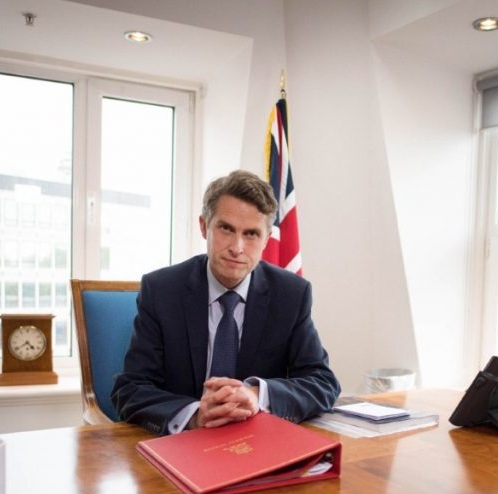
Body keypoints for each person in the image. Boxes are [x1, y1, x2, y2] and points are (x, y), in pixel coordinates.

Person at [111, 169, 341, 435]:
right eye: (226, 229)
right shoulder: (162, 290)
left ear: (267, 239)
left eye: (252, 234)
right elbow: (130, 389)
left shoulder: (291, 294)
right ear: (203, 226)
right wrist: (196, 415)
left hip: (256, 444)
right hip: (184, 444)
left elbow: (323, 382)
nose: (237, 247)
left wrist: (257, 395)